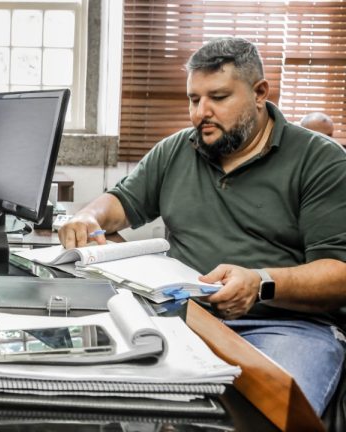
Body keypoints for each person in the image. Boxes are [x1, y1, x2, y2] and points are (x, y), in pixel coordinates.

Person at [59, 37, 346, 416]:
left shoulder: (321, 161)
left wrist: (260, 282)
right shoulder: (179, 148)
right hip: (182, 317)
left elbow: (339, 274)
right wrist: (87, 216)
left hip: (285, 328)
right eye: (194, 99)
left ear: (260, 92)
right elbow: (120, 203)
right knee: (104, 399)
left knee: (261, 418)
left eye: (219, 97)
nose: (200, 113)